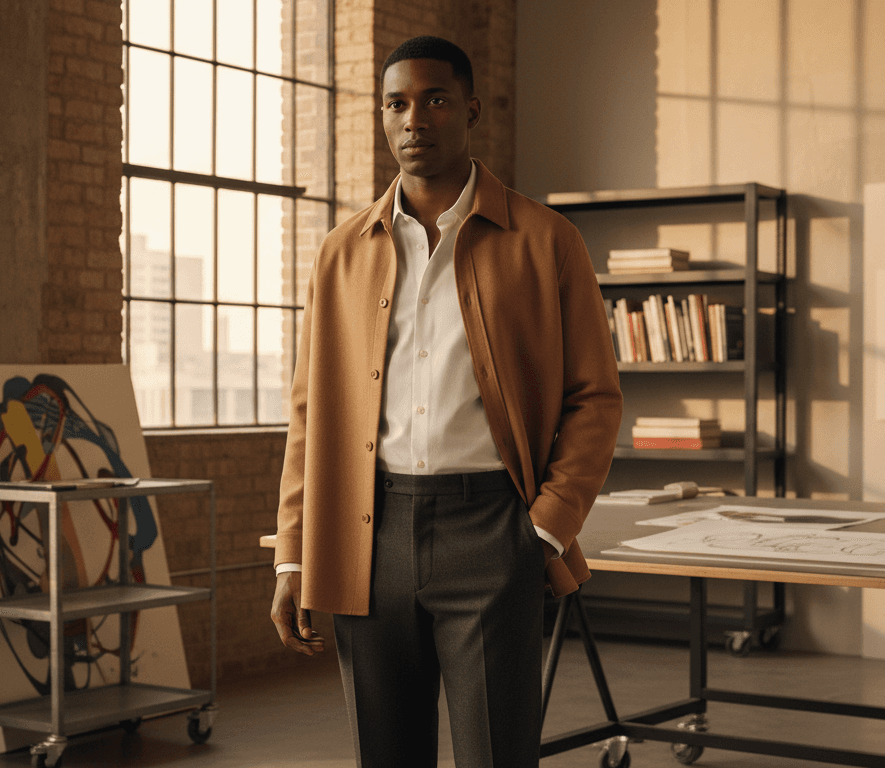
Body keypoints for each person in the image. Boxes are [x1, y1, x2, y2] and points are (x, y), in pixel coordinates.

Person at [269, 34, 622, 768]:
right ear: (382, 116)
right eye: (396, 103)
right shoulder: (341, 253)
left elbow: (595, 398)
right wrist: (294, 558)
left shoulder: (546, 241)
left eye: (434, 99)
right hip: (369, 534)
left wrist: (545, 532)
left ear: (471, 110)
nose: (414, 119)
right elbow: (311, 415)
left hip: (493, 531)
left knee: (497, 754)